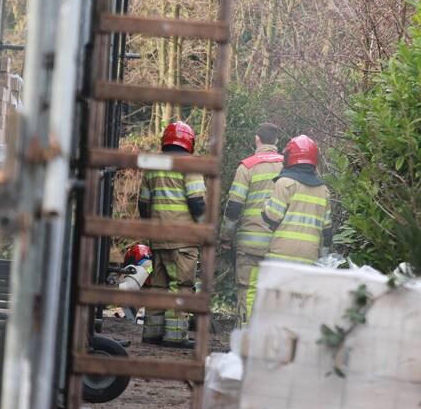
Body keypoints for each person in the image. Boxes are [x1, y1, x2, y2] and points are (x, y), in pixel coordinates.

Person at [138, 121, 205, 348]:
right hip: (183, 240)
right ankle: (175, 337)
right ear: (189, 141)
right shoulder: (190, 165)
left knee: (158, 286)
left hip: (158, 238)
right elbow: (197, 203)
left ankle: (152, 334)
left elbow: (143, 204)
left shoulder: (153, 165)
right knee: (181, 286)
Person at [220, 122, 283, 325]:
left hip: (250, 245)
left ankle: (244, 339)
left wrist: (225, 237)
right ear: (277, 141)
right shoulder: (288, 166)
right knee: (274, 295)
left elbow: (234, 207)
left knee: (248, 291)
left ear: (257, 139)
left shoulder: (247, 167)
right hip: (278, 245)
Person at [261, 135, 333, 265]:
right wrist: (323, 260)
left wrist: (266, 202)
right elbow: (326, 232)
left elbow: (272, 216)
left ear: (290, 156)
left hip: (280, 256)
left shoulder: (284, 183)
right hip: (309, 260)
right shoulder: (323, 190)